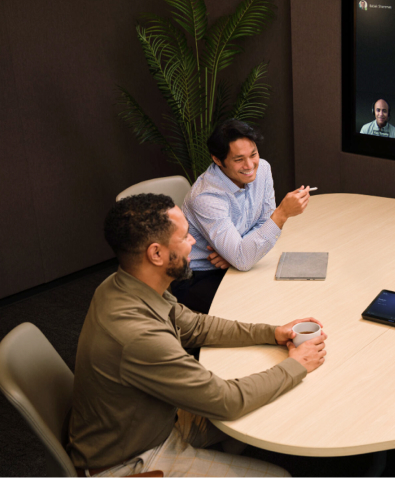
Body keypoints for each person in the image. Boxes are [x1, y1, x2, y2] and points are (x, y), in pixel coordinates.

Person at [68, 194, 328, 476]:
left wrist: (272, 333)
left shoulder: (123, 284)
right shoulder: (138, 337)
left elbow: (195, 326)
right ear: (156, 254)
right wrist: (296, 365)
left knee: (265, 410)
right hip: (133, 460)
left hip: (153, 421)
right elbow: (227, 401)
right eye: (184, 236)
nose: (194, 241)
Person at [172, 119, 310, 314]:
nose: (250, 165)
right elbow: (265, 230)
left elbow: (263, 222)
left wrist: (235, 256)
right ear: (218, 160)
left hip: (233, 263)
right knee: (254, 308)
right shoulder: (206, 196)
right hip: (199, 274)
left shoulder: (262, 169)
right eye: (238, 160)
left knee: (289, 292)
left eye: (253, 154)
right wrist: (282, 213)